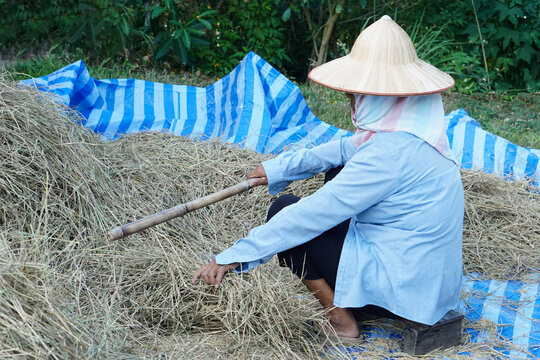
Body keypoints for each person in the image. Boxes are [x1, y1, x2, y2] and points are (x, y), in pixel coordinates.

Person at [192, 15, 464, 339]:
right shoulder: (413, 132)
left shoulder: (386, 155)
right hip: (428, 282)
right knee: (337, 169)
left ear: (380, 97)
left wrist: (235, 256)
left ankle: (342, 321)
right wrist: (276, 169)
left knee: (285, 212)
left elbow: (309, 216)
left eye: (355, 95)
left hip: (403, 291)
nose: (350, 102)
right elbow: (341, 150)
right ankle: (354, 294)